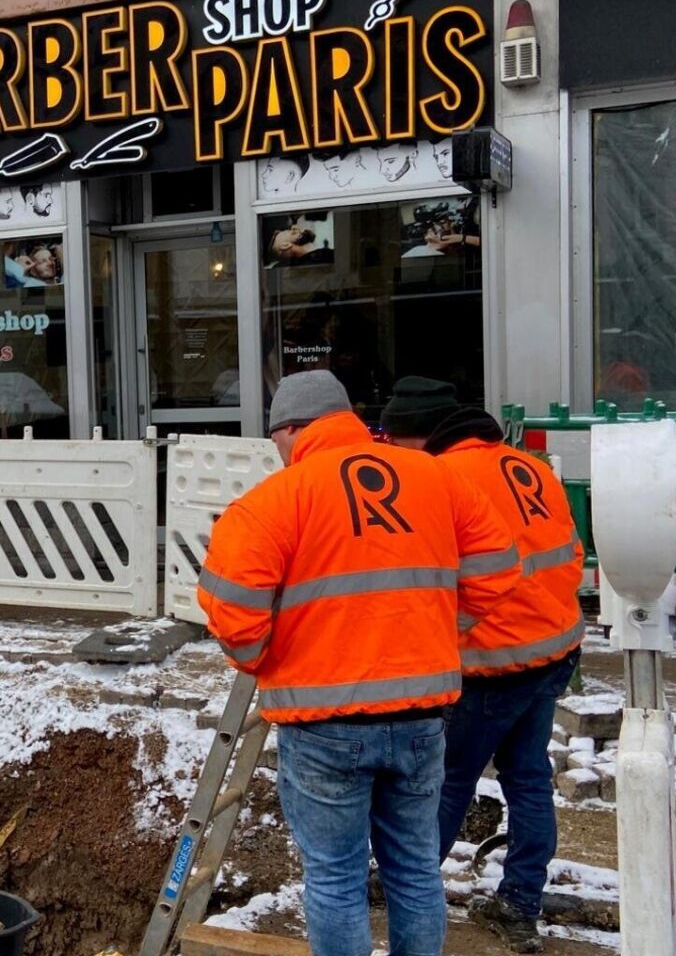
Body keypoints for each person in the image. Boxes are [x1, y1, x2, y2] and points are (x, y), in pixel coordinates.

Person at [198, 370, 523, 956]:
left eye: (277, 440)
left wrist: (262, 659)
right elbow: (500, 568)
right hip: (423, 715)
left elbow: (232, 606)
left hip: (323, 723)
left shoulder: (274, 502)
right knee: (416, 872)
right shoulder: (438, 478)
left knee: (335, 880)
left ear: (293, 430)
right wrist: (442, 630)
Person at [381, 376, 586, 954]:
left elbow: (432, 577)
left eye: (393, 443)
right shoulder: (529, 466)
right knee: (528, 781)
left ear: (416, 439)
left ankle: (409, 891)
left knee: (446, 783)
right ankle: (521, 903)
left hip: (491, 664)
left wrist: (438, 639)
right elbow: (572, 552)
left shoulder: (440, 480)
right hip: (552, 650)